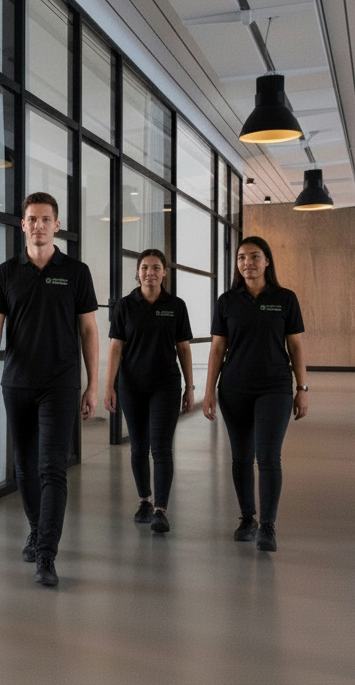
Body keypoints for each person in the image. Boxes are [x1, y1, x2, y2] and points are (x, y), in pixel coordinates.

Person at [0, 192, 99, 587]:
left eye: (46, 219)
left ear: (56, 225)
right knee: (24, 468)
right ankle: (35, 529)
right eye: (32, 219)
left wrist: (92, 384)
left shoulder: (76, 272)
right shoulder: (6, 272)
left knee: (52, 468)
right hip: (17, 383)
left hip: (61, 383)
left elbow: (88, 330)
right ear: (23, 225)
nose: (39, 225)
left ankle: (46, 553)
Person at [203, 236, 308, 552]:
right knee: (241, 457)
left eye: (254, 256)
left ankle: (268, 526)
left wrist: (302, 389)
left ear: (267, 261)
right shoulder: (227, 301)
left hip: (274, 387)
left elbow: (296, 345)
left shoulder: (285, 299)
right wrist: (208, 391)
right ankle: (247, 518)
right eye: (241, 257)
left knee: (268, 456)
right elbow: (218, 347)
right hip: (234, 388)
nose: (247, 262)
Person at [104, 249, 195, 534]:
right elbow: (116, 346)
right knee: (139, 447)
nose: (150, 273)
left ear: (165, 273)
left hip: (166, 385)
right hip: (131, 385)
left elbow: (183, 348)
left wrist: (189, 388)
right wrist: (108, 385)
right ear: (137, 272)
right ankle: (145, 500)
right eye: (145, 267)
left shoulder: (176, 306)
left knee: (162, 447)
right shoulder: (125, 305)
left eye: (156, 267)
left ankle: (160, 510)